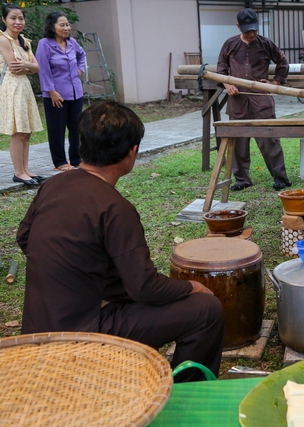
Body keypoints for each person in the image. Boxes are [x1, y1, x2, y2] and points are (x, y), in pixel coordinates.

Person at [17, 101, 225, 382]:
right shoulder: (115, 208)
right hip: (83, 334)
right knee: (206, 310)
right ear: (132, 152)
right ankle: (186, 395)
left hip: (37, 326)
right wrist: (192, 286)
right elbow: (145, 288)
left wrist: (83, 279)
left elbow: (25, 238)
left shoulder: (52, 185)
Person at [217, 8, 291, 191]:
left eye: (255, 30)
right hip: (238, 101)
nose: (252, 34)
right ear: (238, 27)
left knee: (269, 140)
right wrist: (227, 85)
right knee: (239, 143)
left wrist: (275, 81)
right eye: (248, 30)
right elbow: (221, 69)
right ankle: (242, 179)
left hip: (261, 101)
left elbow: (282, 62)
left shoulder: (266, 44)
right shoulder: (230, 44)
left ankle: (280, 177)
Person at [0, 4, 44, 186]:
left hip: (24, 87)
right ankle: (19, 172)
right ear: (4, 20)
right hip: (12, 87)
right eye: (13, 18)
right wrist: (29, 66)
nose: (18, 22)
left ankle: (26, 169)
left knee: (26, 131)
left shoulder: (24, 41)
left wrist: (27, 65)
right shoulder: (3, 39)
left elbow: (38, 67)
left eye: (20, 18)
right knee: (18, 132)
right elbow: (14, 68)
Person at [36, 11, 86, 172]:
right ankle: (59, 161)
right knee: (57, 129)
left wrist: (80, 69)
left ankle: (76, 159)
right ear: (52, 27)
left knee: (76, 128)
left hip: (75, 93)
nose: (66, 28)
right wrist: (51, 91)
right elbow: (43, 69)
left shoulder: (72, 43)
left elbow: (82, 55)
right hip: (55, 95)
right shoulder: (45, 44)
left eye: (67, 24)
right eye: (62, 25)